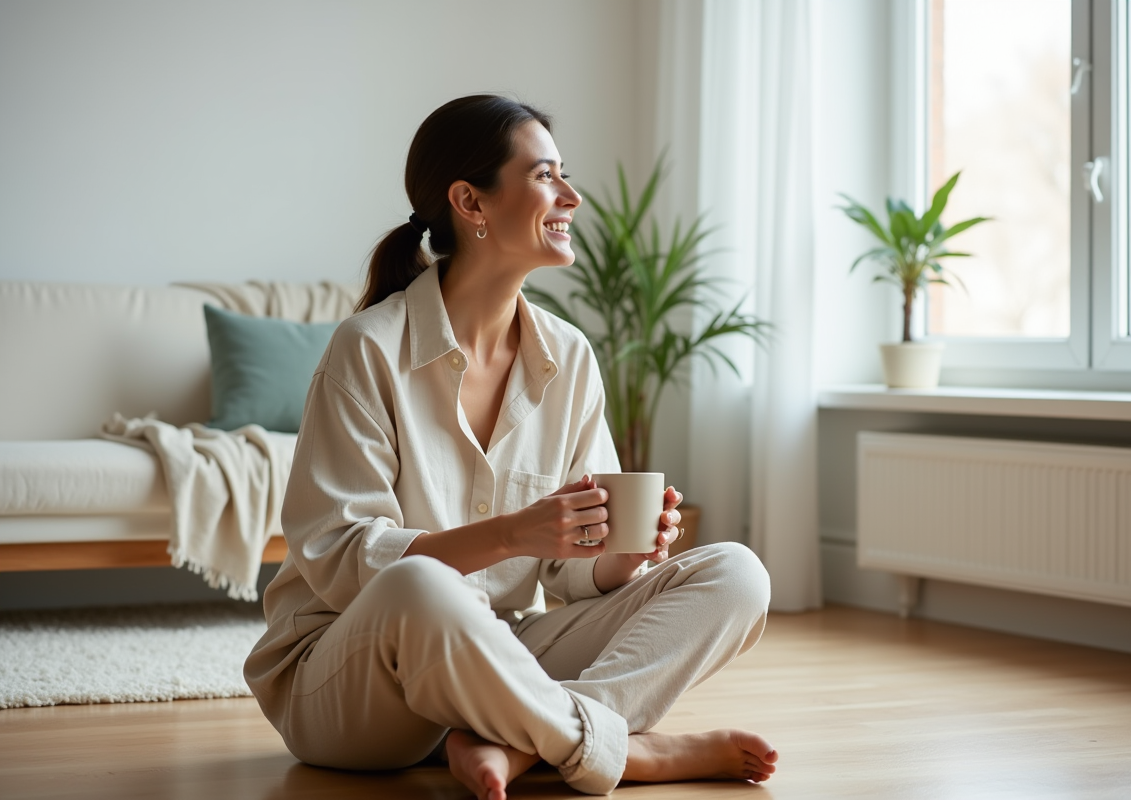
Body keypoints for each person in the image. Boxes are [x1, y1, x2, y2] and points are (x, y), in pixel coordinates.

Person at [243, 94, 777, 800]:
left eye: (565, 176)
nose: (572, 196)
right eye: (546, 175)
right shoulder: (367, 348)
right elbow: (344, 561)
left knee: (737, 574)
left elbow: (570, 574)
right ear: (471, 202)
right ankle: (635, 754)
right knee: (418, 580)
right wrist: (513, 533)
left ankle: (516, 743)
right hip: (353, 681)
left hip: (496, 655)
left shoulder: (568, 355)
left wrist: (625, 550)